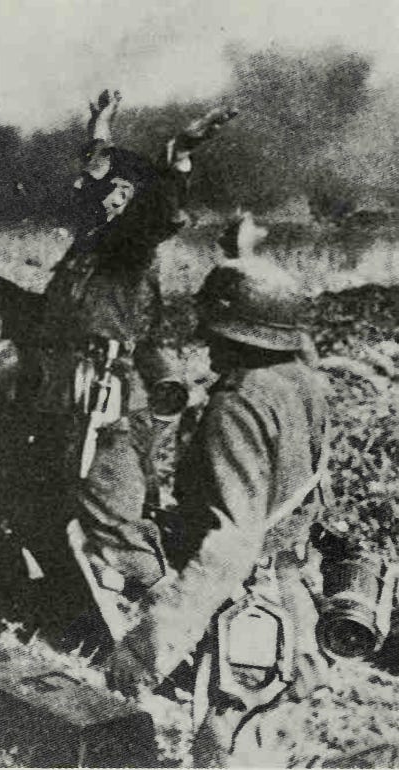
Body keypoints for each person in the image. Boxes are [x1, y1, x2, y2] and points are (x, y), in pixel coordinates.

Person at [22, 90, 237, 641]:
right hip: (82, 398)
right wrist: (100, 125)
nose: (86, 189)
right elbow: (98, 170)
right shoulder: (90, 250)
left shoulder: (127, 247)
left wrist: (178, 157)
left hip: (106, 403)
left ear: (124, 204)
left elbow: (159, 213)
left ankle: (175, 637)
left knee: (115, 517)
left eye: (104, 189)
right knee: (94, 511)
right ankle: (103, 617)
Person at [107, 258, 331, 766]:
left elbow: (232, 542)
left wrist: (146, 648)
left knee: (229, 747)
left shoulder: (240, 404)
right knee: (270, 736)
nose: (207, 344)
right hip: (292, 588)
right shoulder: (305, 384)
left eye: (214, 331)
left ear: (238, 333)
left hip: (249, 607)